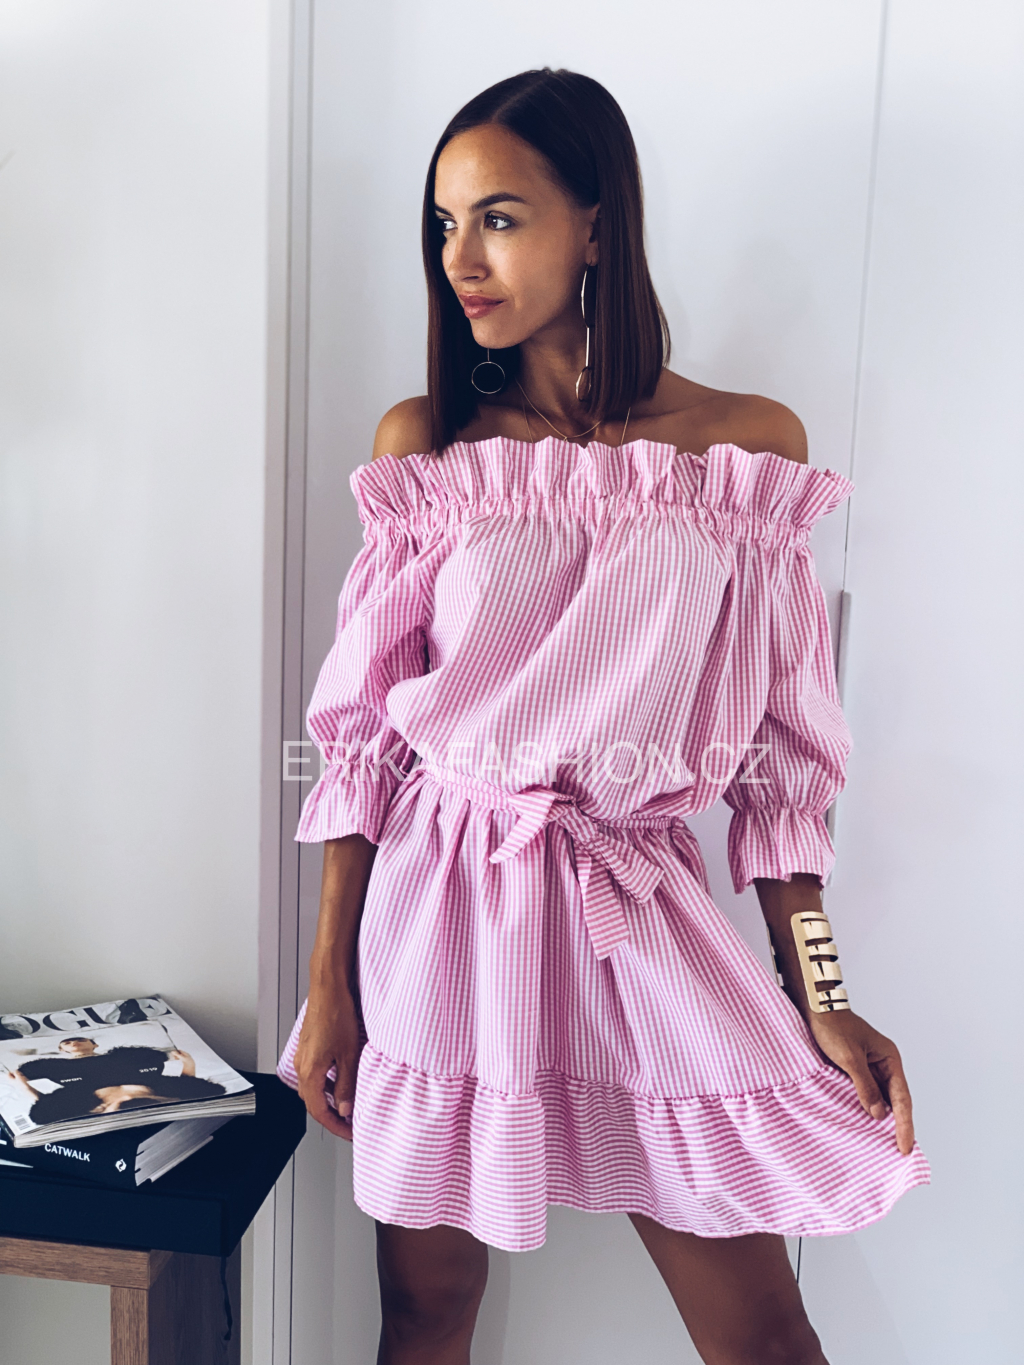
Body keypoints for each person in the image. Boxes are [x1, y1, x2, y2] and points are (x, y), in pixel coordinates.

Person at [276, 68, 931, 1365]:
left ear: (595, 222)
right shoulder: (433, 447)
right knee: (425, 1312)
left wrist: (824, 993)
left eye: (499, 217)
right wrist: (327, 987)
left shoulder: (745, 457)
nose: (461, 259)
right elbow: (360, 743)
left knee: (767, 1335)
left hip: (639, 905)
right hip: (444, 911)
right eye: (445, 224)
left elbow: (783, 771)